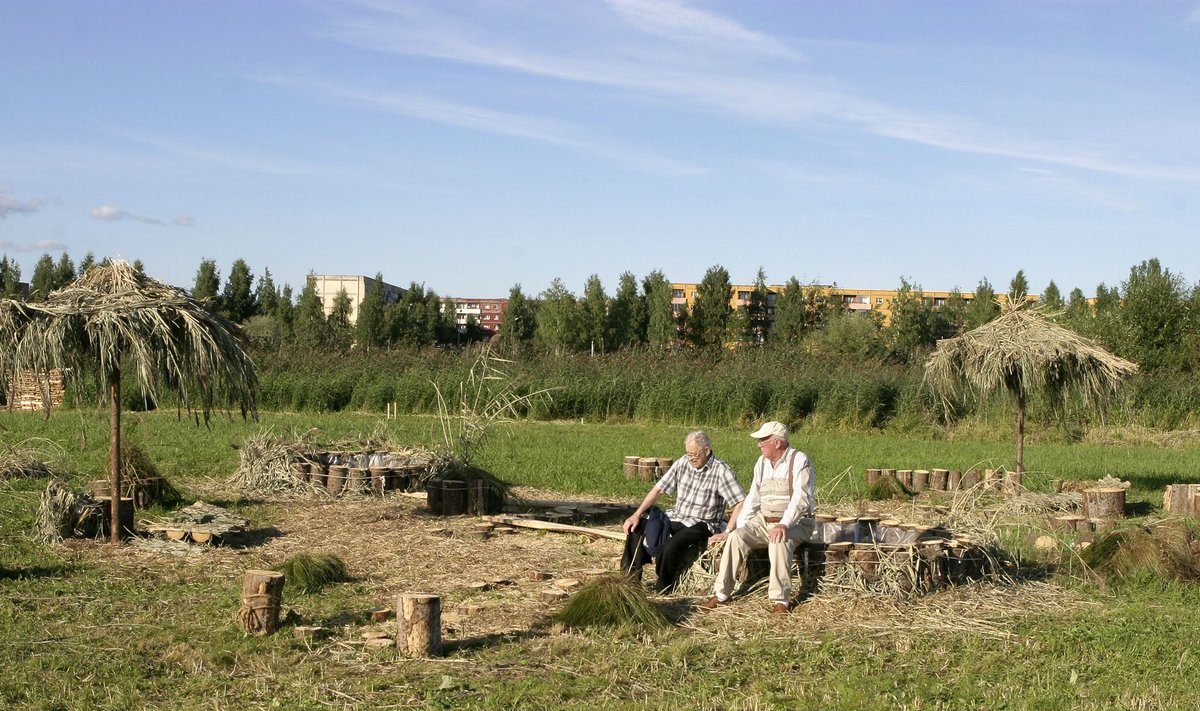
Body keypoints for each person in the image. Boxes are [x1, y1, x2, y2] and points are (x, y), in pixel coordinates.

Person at [701, 420, 815, 614]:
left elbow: (800, 499)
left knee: (779, 540)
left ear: (777, 443)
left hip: (797, 523)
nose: (759, 445)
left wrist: (784, 524)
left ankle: (781, 600)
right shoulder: (761, 463)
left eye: (763, 441)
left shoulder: (799, 460)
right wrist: (737, 528)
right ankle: (721, 594)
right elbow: (752, 499)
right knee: (737, 537)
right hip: (764, 521)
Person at [621, 430, 746, 594]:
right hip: (676, 516)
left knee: (674, 544)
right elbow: (658, 489)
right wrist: (636, 515)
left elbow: (740, 501)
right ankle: (628, 582)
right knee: (637, 528)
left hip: (702, 523)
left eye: (695, 454)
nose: (691, 458)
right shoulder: (683, 463)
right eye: (688, 454)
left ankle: (664, 586)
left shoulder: (721, 471)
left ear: (707, 451)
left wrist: (728, 531)